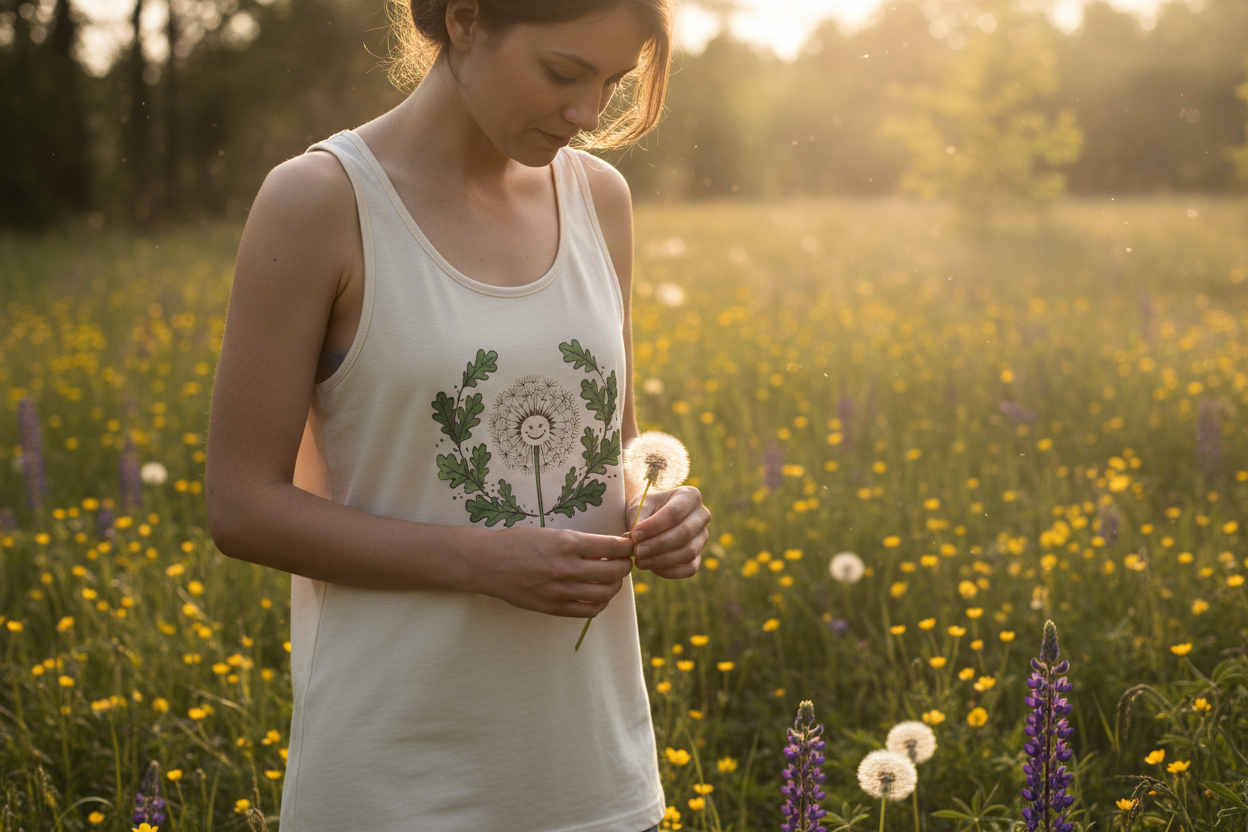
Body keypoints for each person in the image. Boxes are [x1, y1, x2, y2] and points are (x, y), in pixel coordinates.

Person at [204, 0, 711, 829]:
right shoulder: (320, 202)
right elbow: (241, 506)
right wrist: (481, 561)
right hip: (395, 779)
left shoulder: (601, 200)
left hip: (592, 775)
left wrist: (661, 510)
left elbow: (611, 448)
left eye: (613, 83)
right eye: (563, 72)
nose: (589, 115)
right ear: (467, 19)